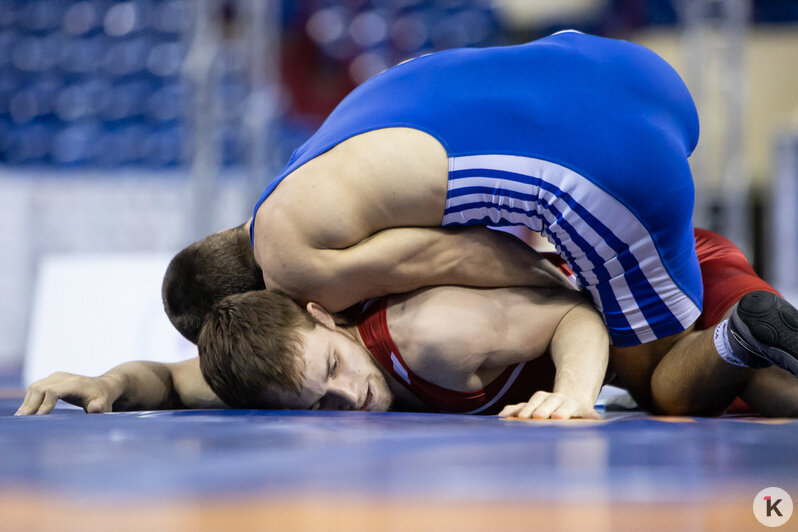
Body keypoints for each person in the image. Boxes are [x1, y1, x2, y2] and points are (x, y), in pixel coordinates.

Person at [164, 30, 713, 413]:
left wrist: (561, 293)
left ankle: (746, 342)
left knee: (660, 382)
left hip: (610, 170)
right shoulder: (294, 177)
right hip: (619, 65)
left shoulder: (290, 267)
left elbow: (458, 254)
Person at [18, 229, 798, 418]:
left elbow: (573, 315)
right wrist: (107, 382)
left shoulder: (412, 320)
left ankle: (736, 339)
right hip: (602, 273)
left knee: (670, 389)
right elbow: (175, 382)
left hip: (624, 279)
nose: (344, 400)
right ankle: (742, 342)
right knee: (766, 397)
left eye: (331, 373)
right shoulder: (297, 354)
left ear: (313, 307)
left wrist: (571, 395)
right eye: (318, 400)